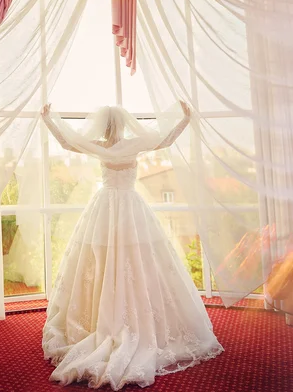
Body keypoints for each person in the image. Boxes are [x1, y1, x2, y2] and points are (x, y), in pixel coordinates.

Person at [41, 102, 223, 390]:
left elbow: (66, 142)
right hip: (130, 208)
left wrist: (49, 119)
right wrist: (185, 119)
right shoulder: (134, 144)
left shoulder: (98, 145)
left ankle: (102, 317)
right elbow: (166, 139)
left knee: (102, 260)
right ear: (123, 125)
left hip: (104, 208)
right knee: (137, 260)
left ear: (104, 126)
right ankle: (132, 317)